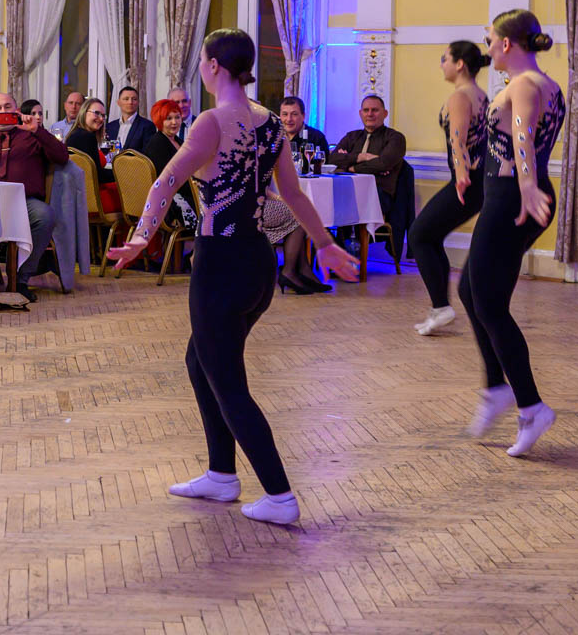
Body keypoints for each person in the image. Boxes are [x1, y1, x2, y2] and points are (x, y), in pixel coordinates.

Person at [107, 29, 358, 526]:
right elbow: (294, 194)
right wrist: (326, 243)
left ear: (214, 66)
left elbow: (165, 181)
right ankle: (221, 474)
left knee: (228, 383)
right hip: (258, 263)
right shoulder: (270, 122)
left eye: (202, 59)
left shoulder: (212, 121)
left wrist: (140, 237)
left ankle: (280, 496)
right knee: (200, 361)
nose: (201, 67)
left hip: (220, 263)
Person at [461, 10, 565, 458]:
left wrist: (524, 186)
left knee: (489, 304)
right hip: (515, 194)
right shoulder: (549, 85)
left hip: (513, 199)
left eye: (490, 40)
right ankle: (496, 388)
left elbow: (522, 136)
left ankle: (530, 406)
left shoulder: (523, 85)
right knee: (470, 292)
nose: (487, 49)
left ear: (506, 43)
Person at [409, 41, 490, 336]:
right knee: (429, 236)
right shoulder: (480, 95)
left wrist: (461, 176)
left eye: (445, 59)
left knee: (418, 235)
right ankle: (439, 308)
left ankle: (441, 308)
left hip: (467, 182)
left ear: (459, 64)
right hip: (478, 181)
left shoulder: (460, 97)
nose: (441, 64)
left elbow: (458, 140)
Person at [0, 92, 70, 300]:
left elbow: (62, 157)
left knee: (45, 215)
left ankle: (21, 279)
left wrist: (37, 130)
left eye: (8, 107)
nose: (3, 111)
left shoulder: (31, 135)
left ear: (16, 111)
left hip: (25, 201)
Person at [259, 96, 334, 295]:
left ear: (303, 116)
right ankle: (292, 271)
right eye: (284, 114)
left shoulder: (314, 137)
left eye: (294, 114)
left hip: (267, 200)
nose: (288, 119)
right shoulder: (269, 138)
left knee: (299, 210)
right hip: (257, 206)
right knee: (299, 213)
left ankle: (303, 270)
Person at [325, 95, 411, 261]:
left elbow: (384, 163)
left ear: (385, 113)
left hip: (378, 196)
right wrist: (362, 157)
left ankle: (348, 258)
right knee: (320, 206)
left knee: (347, 203)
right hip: (347, 191)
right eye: (366, 110)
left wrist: (351, 166)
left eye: (375, 110)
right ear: (360, 113)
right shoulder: (352, 137)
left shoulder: (395, 138)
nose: (370, 114)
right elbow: (332, 159)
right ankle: (337, 253)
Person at [65, 96, 121, 213]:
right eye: (96, 113)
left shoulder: (74, 134)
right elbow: (97, 175)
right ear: (84, 113)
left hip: (75, 198)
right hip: (91, 200)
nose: (100, 119)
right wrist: (121, 173)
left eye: (103, 116)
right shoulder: (87, 137)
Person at [107, 85, 153, 154]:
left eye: (134, 99)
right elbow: (108, 151)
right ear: (118, 102)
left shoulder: (147, 126)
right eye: (126, 99)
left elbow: (147, 154)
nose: (130, 102)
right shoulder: (110, 126)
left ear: (138, 102)